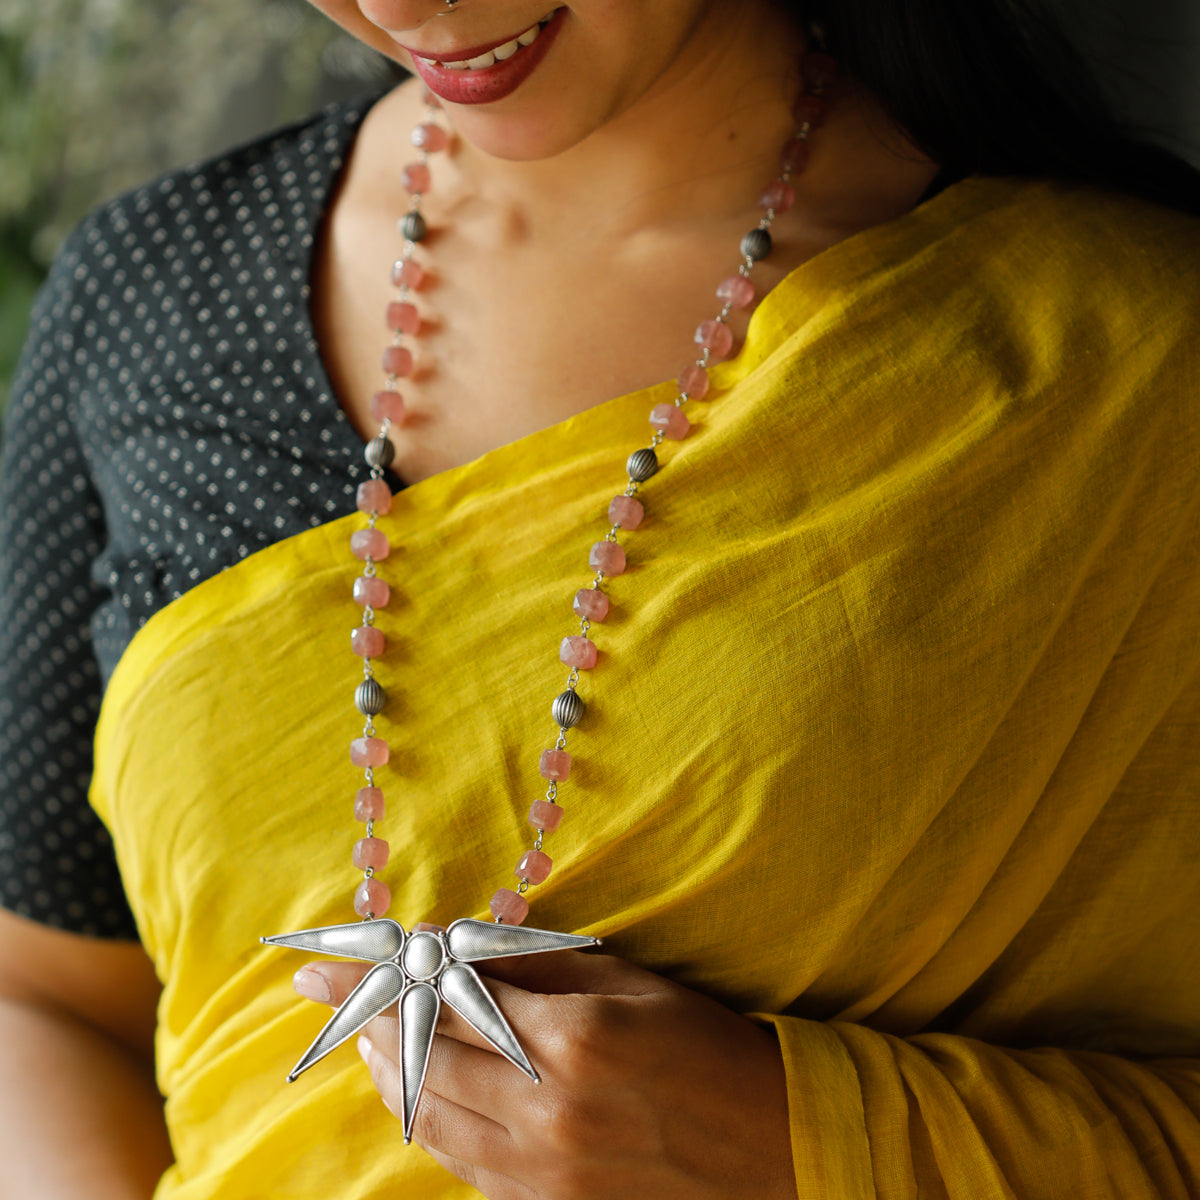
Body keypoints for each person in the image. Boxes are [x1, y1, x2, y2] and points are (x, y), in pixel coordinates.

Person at [1, 0, 1198, 1196]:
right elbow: (46, 994)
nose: (402, 5)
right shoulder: (148, 301)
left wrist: (799, 1135)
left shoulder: (1124, 366)